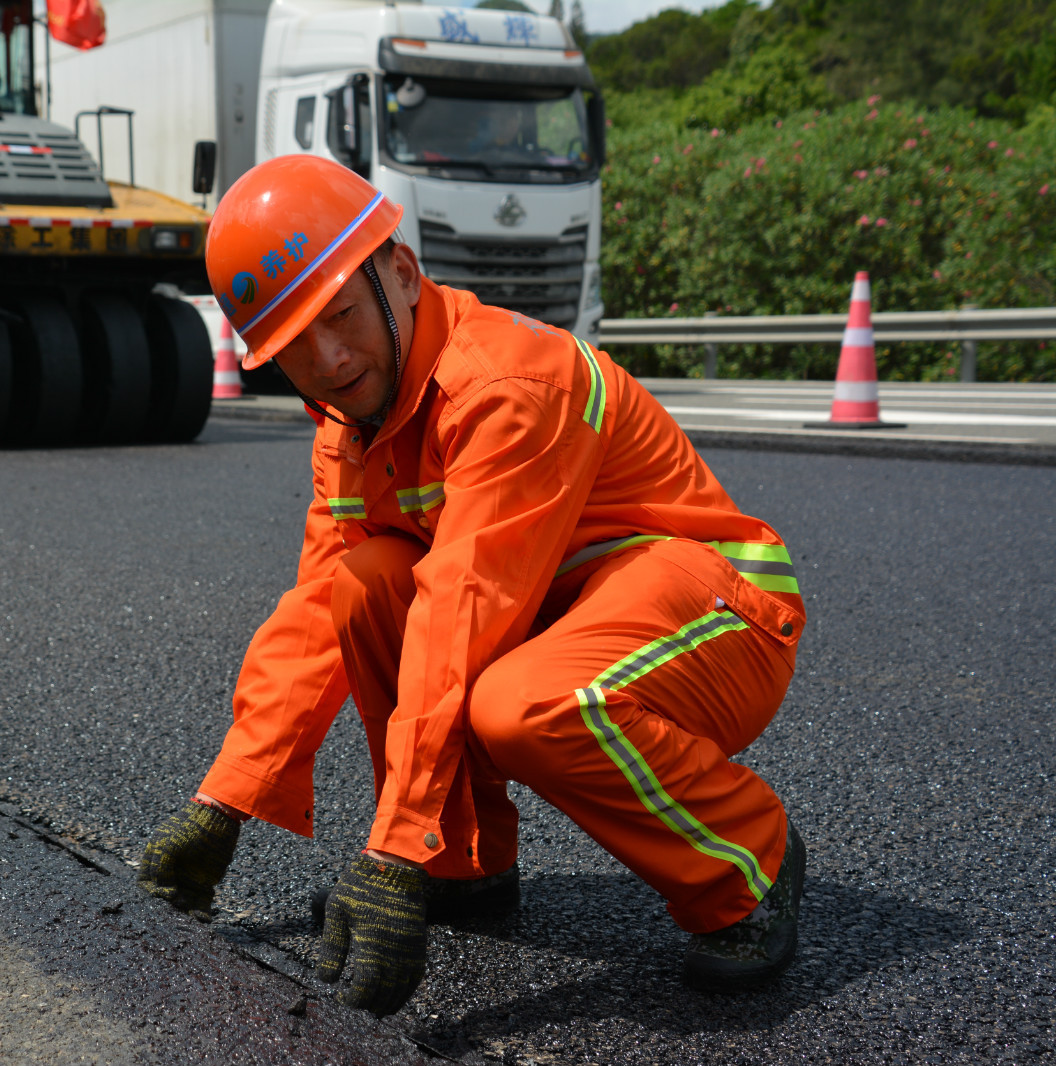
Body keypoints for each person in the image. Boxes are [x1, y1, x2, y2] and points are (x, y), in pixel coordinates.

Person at [137, 155, 807, 1017]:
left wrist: (387, 853)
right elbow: (312, 615)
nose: (330, 361)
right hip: (569, 616)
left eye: (340, 316)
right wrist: (224, 800)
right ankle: (460, 862)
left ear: (403, 275)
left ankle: (747, 860)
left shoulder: (504, 387)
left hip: (721, 615)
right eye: (293, 348)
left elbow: (466, 606)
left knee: (523, 703)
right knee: (364, 582)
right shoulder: (353, 427)